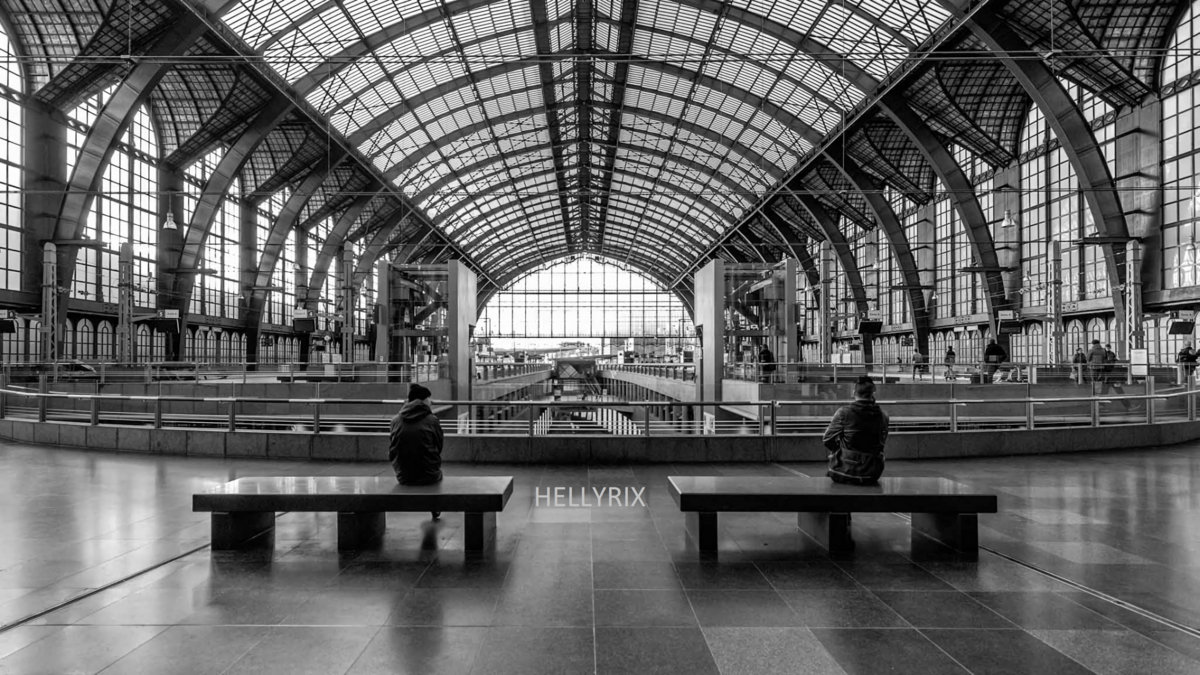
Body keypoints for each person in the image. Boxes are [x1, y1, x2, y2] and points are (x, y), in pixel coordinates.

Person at [389, 383, 444, 519]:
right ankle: (434, 507)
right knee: (438, 476)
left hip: (403, 475)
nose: (431, 401)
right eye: (428, 398)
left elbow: (393, 446)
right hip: (429, 474)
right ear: (423, 401)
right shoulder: (432, 420)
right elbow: (439, 446)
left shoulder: (395, 420)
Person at [823, 376, 890, 485]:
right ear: (872, 394)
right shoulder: (883, 416)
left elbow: (827, 440)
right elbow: (881, 444)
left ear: (854, 392)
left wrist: (840, 451)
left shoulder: (843, 413)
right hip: (871, 473)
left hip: (844, 470)